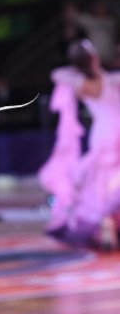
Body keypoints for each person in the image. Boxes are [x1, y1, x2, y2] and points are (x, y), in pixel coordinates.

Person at [39, 40, 120, 250]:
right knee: (106, 182)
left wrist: (79, 69)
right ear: (94, 58)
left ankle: (107, 224)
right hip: (112, 134)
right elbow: (57, 74)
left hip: (104, 134)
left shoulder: (83, 83)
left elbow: (58, 74)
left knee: (104, 183)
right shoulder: (103, 82)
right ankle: (107, 224)